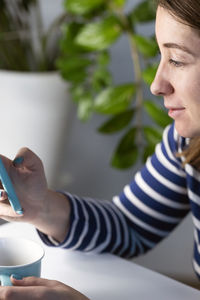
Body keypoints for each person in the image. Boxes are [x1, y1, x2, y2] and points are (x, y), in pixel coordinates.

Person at [1, 0, 200, 298]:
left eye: (177, 60)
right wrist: (41, 206)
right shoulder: (188, 143)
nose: (157, 85)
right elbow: (131, 225)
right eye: (161, 56)